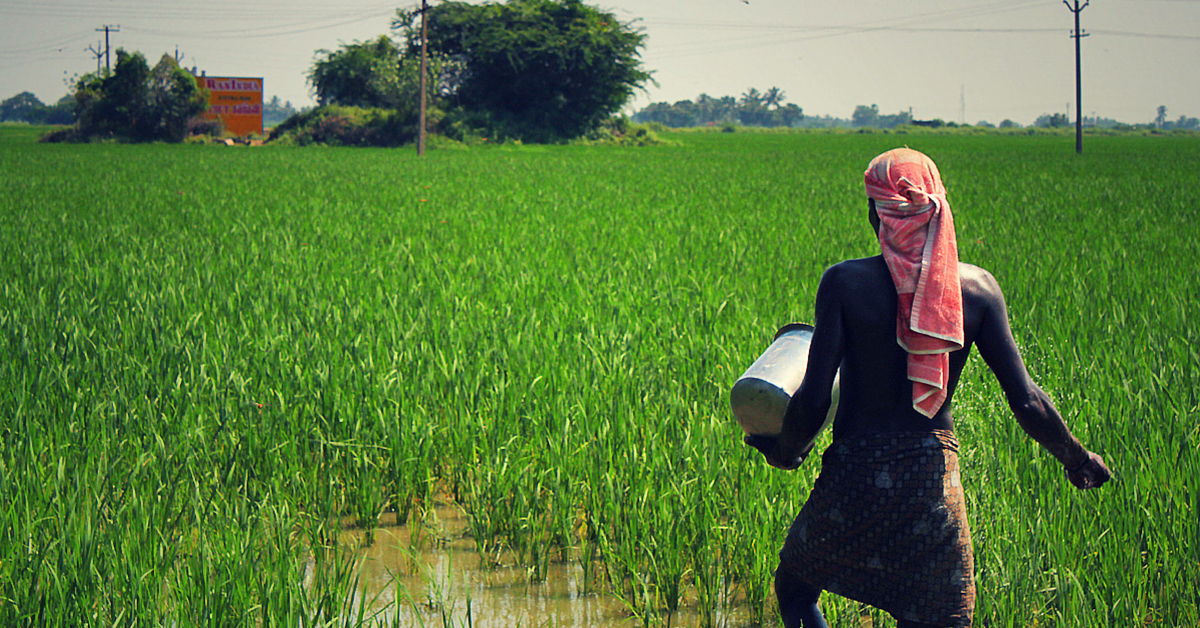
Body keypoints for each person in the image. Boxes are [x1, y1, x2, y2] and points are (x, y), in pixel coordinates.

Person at [744, 148, 1112, 628]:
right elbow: (1027, 399)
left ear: (875, 212)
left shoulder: (845, 284)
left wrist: (787, 451)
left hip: (855, 474)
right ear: (938, 206)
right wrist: (1077, 458)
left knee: (795, 590)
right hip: (931, 483)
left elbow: (814, 398)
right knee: (935, 616)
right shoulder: (978, 289)